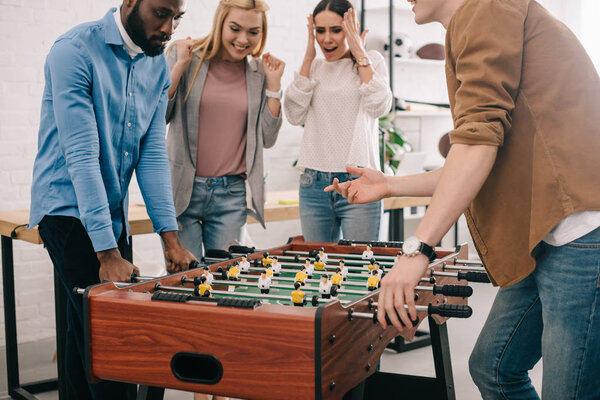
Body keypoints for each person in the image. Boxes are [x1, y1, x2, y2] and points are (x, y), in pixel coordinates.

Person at [326, 0, 600, 398]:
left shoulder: (487, 7)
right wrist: (388, 185)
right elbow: (478, 155)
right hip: (547, 237)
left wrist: (416, 251)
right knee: (493, 367)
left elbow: (476, 146)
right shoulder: (481, 18)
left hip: (580, 235)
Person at [28, 1, 196, 398]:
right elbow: (81, 156)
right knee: (110, 339)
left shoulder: (155, 63)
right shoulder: (73, 51)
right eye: (160, 14)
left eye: (177, 17)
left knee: (82, 333)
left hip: (108, 212)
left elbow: (151, 153)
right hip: (66, 210)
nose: (169, 28)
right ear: (131, 3)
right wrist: (107, 253)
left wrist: (170, 238)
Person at [166, 0, 284, 260]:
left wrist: (274, 87)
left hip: (231, 196)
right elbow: (158, 116)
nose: (244, 39)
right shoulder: (184, 56)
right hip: (182, 190)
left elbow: (268, 138)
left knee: (226, 283)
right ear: (220, 23)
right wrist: (179, 68)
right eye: (235, 28)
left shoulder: (258, 73)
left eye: (254, 32)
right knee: (186, 284)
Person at [283, 0, 392, 242]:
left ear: (352, 28)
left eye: (336, 29)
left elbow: (379, 106)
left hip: (359, 182)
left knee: (361, 269)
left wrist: (359, 51)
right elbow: (294, 114)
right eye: (320, 31)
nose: (327, 39)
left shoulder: (370, 61)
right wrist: (308, 57)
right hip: (314, 184)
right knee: (320, 270)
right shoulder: (314, 67)